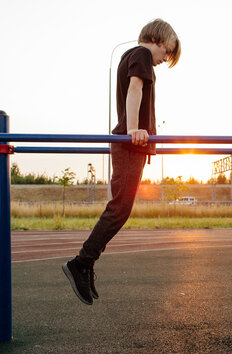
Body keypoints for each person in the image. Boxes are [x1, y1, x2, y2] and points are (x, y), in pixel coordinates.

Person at [62, 19, 181, 305]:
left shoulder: (135, 57)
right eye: (168, 51)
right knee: (119, 209)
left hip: (134, 146)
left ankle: (85, 262)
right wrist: (133, 130)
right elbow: (135, 90)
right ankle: (81, 262)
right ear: (156, 38)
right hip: (130, 145)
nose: (166, 59)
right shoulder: (140, 55)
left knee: (121, 209)